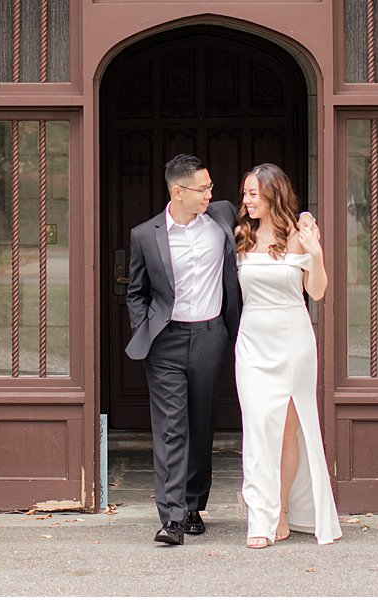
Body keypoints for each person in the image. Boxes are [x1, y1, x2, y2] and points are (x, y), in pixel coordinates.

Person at [124, 154, 241, 546]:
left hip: (210, 337)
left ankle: (194, 506)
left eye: (210, 187)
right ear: (178, 191)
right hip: (166, 342)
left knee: (200, 423)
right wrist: (145, 327)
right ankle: (171, 518)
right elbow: (135, 292)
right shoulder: (145, 235)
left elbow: (264, 220)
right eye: (203, 188)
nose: (211, 193)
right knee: (171, 428)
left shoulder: (223, 217)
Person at [234, 163, 341, 548]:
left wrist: (317, 254)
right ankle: (258, 519)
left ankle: (280, 511)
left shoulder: (299, 234)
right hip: (252, 341)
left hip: (293, 338)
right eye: (244, 193)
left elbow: (316, 292)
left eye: (253, 193)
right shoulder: (241, 235)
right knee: (260, 426)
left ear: (273, 194)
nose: (246, 200)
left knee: (287, 432)